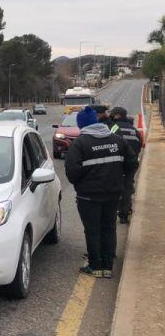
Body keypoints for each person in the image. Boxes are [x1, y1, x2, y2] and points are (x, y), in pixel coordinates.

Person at [65, 106, 138, 278]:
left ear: (81, 124)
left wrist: (85, 181)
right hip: (113, 193)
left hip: (88, 196)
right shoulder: (117, 140)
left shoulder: (79, 144)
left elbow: (72, 173)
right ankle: (107, 266)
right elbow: (132, 163)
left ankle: (95, 266)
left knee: (93, 230)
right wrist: (119, 176)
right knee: (108, 228)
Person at [109, 106, 142, 224]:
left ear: (117, 116)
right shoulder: (134, 130)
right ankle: (124, 213)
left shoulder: (114, 128)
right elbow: (140, 143)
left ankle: (116, 210)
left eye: (113, 115)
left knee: (115, 187)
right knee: (127, 187)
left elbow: (109, 143)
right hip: (131, 163)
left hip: (117, 163)